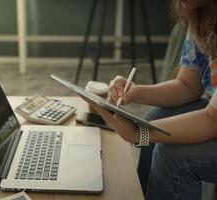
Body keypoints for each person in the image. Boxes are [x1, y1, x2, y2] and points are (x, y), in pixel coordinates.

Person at [81, 0, 217, 199]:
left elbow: (212, 120)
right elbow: (188, 85)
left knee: (170, 157)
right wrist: (137, 92)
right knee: (155, 116)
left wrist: (141, 133)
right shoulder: (200, 15)